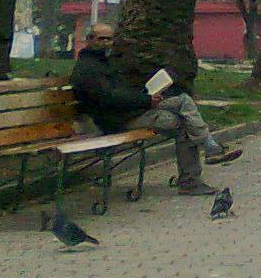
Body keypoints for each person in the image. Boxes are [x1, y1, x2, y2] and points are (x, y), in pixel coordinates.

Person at [69, 23, 241, 195]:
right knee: (185, 124)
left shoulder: (105, 63)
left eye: (110, 39)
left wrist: (148, 94)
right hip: (117, 119)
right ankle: (194, 175)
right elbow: (109, 99)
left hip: (131, 110)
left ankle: (208, 151)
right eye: (101, 39)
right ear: (89, 40)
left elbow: (122, 92)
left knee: (183, 101)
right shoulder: (88, 69)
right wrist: (146, 100)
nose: (106, 43)